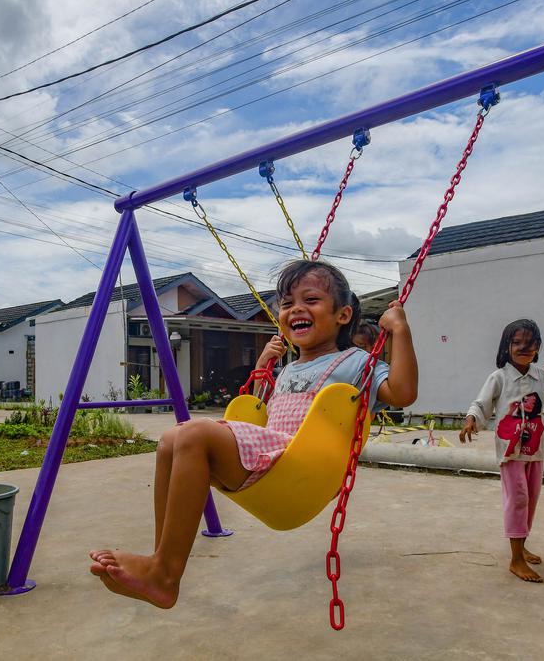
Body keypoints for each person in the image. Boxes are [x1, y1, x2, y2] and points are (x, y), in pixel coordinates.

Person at [89, 259, 418, 608]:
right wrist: (262, 367)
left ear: (343, 315)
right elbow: (262, 414)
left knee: (192, 435)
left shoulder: (355, 362)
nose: (296, 310)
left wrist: (400, 332)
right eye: (287, 304)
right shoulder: (289, 367)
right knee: (173, 438)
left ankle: (165, 575)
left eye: (311, 300)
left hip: (297, 467)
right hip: (268, 460)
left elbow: (402, 393)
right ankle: (160, 562)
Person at [459, 318, 544, 583]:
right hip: (509, 451)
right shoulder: (499, 377)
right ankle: (515, 559)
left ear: (538, 347)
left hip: (534, 449)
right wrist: (471, 420)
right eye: (516, 342)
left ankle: (522, 545)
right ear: (506, 346)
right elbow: (481, 403)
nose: (523, 348)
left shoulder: (541, 376)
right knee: (517, 497)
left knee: (530, 498)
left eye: (529, 344)